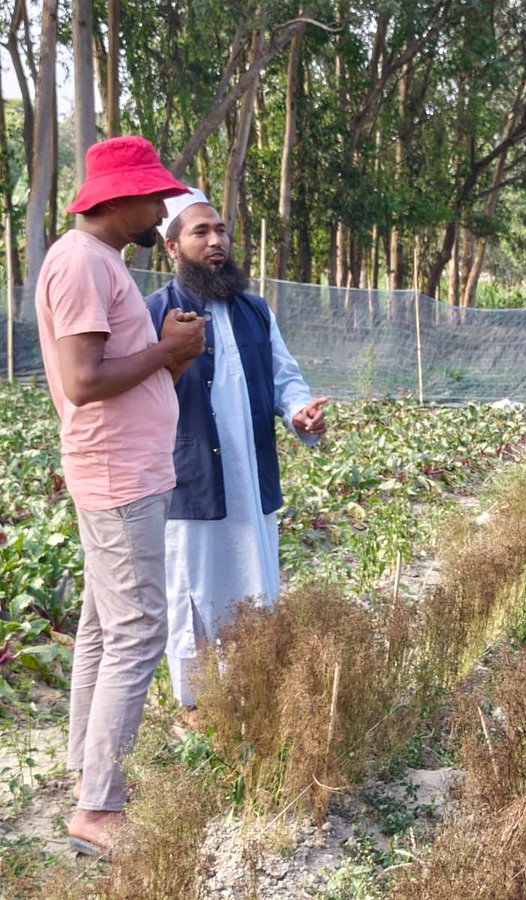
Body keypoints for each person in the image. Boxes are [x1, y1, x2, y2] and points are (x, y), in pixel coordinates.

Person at [35, 136, 206, 855]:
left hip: (123, 469)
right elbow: (83, 381)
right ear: (119, 197)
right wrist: (168, 351)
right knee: (138, 630)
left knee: (107, 627)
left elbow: (112, 376)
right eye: (153, 199)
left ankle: (86, 768)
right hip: (118, 477)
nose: (161, 212)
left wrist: (170, 355)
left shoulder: (96, 260)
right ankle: (98, 810)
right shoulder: (81, 262)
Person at [144, 189, 328, 711]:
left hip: (250, 483)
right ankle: (200, 713)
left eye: (220, 230)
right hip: (190, 485)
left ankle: (252, 696)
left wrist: (299, 412)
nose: (216, 240)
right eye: (200, 232)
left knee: (254, 590)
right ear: (172, 246)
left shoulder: (255, 310)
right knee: (192, 596)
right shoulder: (153, 314)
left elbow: (285, 378)